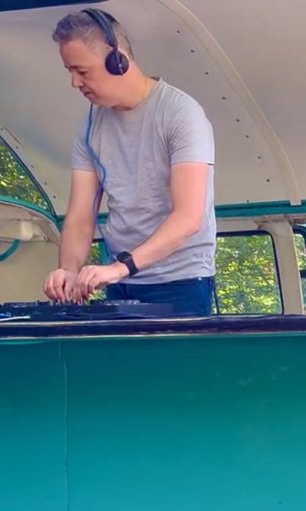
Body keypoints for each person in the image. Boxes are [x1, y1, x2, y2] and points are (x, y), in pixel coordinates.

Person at [45, 9, 217, 315]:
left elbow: (190, 217)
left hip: (182, 285)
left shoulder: (181, 114)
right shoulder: (88, 128)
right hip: (121, 283)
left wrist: (121, 267)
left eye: (82, 71)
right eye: (68, 71)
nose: (74, 82)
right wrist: (69, 271)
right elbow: (80, 217)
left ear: (118, 60)